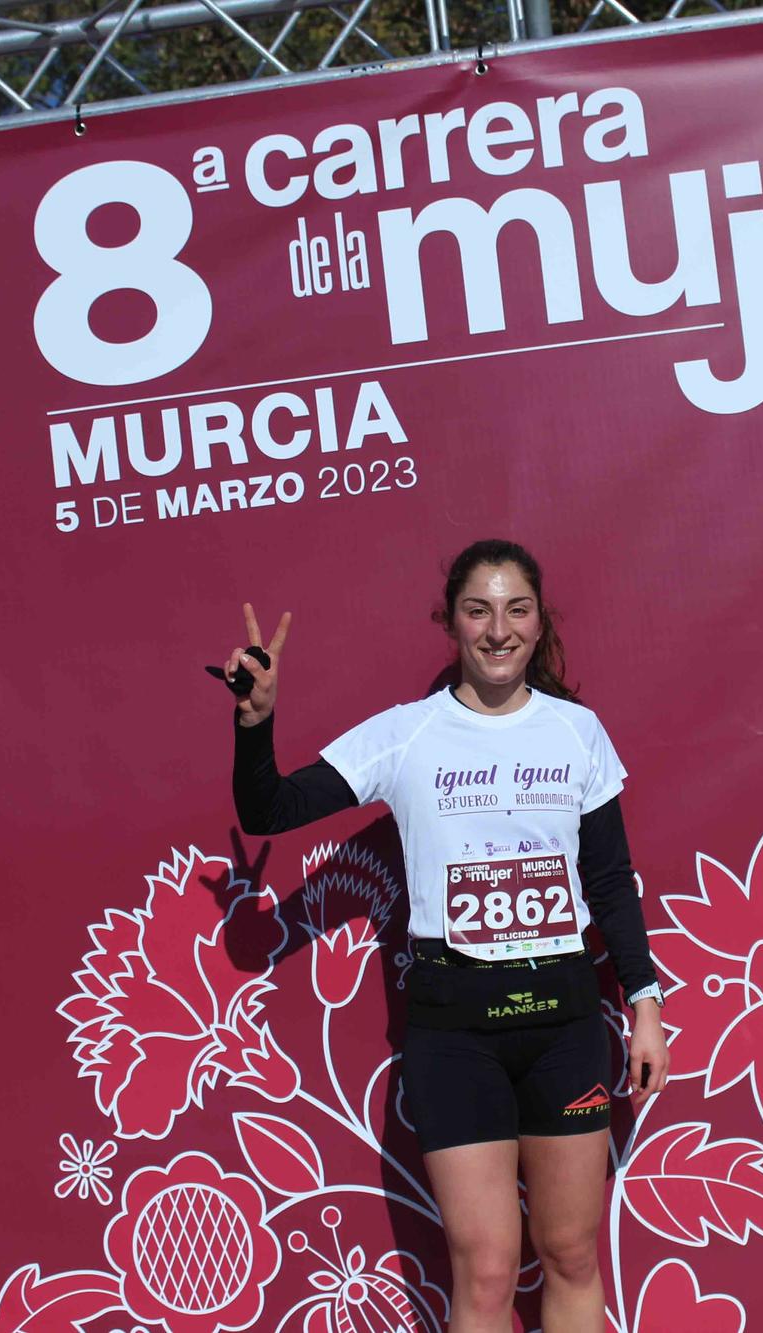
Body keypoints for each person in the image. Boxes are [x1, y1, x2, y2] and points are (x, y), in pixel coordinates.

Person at [225, 538, 668, 1333]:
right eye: (478, 610)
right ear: (452, 623)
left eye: (516, 609)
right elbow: (270, 811)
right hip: (455, 1031)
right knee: (489, 1270)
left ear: (539, 623)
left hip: (563, 1023)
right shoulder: (408, 735)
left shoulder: (577, 733)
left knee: (570, 1253)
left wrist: (645, 1004)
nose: (498, 629)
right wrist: (256, 723)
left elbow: (609, 881)